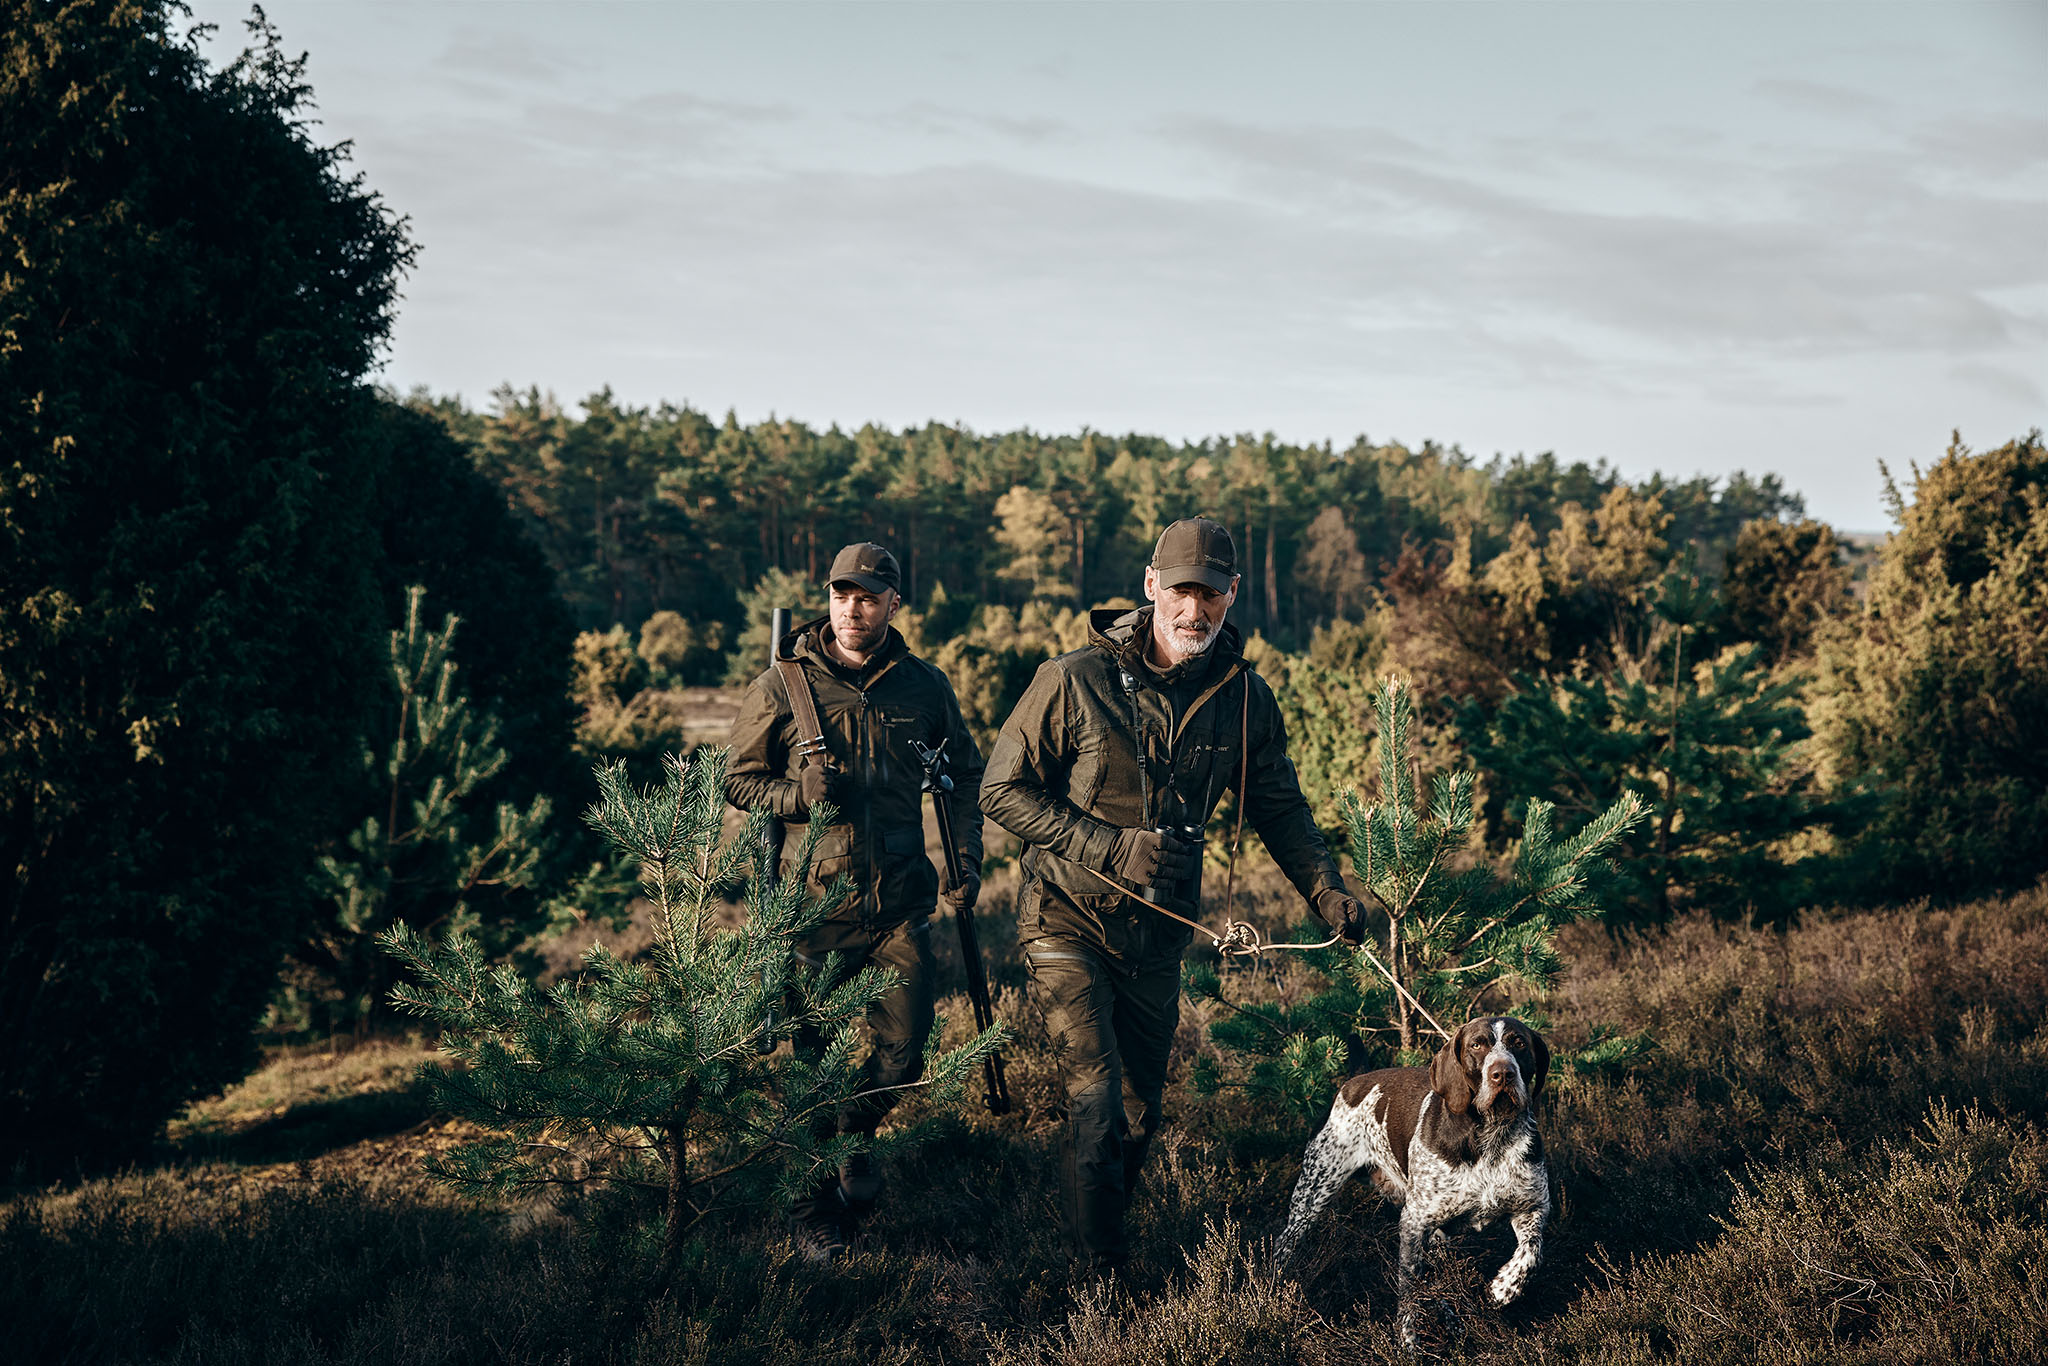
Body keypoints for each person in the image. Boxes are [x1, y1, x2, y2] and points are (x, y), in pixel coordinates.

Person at [980, 516, 1365, 1268]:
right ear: (1152, 586)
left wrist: (1327, 890)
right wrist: (1109, 845)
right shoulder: (1072, 680)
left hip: (1159, 937)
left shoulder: (1245, 698)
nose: (1195, 612)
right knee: (1095, 1097)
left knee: (1137, 1114)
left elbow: (1280, 808)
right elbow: (1002, 789)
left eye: (1211, 596)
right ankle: (1102, 1279)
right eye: (1181, 591)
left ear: (1232, 595)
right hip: (1066, 919)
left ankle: (1100, 1229)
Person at [724, 541, 985, 1262]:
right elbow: (736, 780)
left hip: (900, 904)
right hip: (812, 908)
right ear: (828, 596)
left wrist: (967, 858)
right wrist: (795, 796)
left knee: (904, 1050)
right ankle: (813, 1211)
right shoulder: (783, 685)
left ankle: (851, 1136)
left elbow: (963, 777)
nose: (852, 608)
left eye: (868, 596)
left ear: (893, 604)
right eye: (842, 594)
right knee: (810, 1058)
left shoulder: (924, 688)